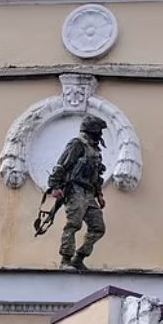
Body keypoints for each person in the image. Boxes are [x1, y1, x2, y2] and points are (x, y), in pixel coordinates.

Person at [47, 115, 108, 270]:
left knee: (98, 227)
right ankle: (65, 260)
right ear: (92, 130)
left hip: (89, 192)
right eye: (99, 130)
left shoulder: (95, 150)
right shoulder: (77, 144)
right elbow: (61, 165)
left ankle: (79, 257)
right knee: (73, 224)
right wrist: (55, 186)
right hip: (75, 189)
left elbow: (96, 176)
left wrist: (99, 195)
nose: (101, 133)